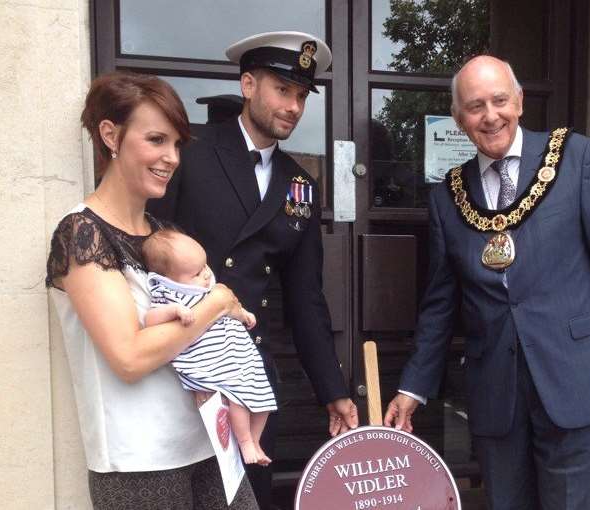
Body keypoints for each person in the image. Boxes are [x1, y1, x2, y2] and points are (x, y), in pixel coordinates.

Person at [384, 55, 590, 509]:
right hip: (495, 385)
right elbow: (440, 304)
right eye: (476, 106)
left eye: (499, 100)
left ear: (518, 101)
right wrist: (413, 387)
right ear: (460, 120)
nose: (490, 115)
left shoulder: (575, 156)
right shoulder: (448, 196)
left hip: (573, 372)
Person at [147, 31, 359, 508]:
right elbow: (149, 252)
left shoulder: (300, 184)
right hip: (182, 364)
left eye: (301, 95)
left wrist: (333, 391)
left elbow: (306, 298)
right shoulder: (191, 151)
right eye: (282, 90)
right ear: (247, 85)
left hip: (248, 373)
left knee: (247, 496)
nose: (294, 106)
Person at [45, 72, 259, 508]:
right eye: (157, 140)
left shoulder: (164, 234)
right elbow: (129, 357)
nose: (172, 157)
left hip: (209, 443)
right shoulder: (82, 231)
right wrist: (217, 302)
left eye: (177, 143)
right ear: (110, 134)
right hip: (139, 464)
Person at [142, 228, 277, 465]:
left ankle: (255, 441)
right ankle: (245, 443)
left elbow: (230, 308)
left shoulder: (209, 287)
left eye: (205, 266)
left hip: (240, 355)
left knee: (263, 400)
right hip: (215, 361)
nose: (206, 275)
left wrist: (244, 314)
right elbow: (149, 319)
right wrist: (175, 311)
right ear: (169, 279)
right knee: (238, 399)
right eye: (196, 273)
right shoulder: (170, 294)